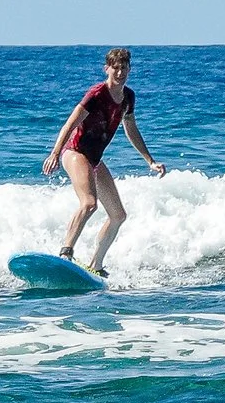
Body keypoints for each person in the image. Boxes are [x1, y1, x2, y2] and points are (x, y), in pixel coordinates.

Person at [44, 47, 165, 272]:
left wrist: (149, 161)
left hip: (95, 160)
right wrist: (55, 153)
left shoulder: (128, 97)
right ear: (106, 69)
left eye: (124, 68)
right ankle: (65, 253)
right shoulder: (97, 94)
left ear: (129, 69)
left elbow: (131, 129)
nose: (120, 73)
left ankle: (96, 266)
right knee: (89, 204)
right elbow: (70, 124)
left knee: (118, 215)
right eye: (115, 68)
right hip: (75, 153)